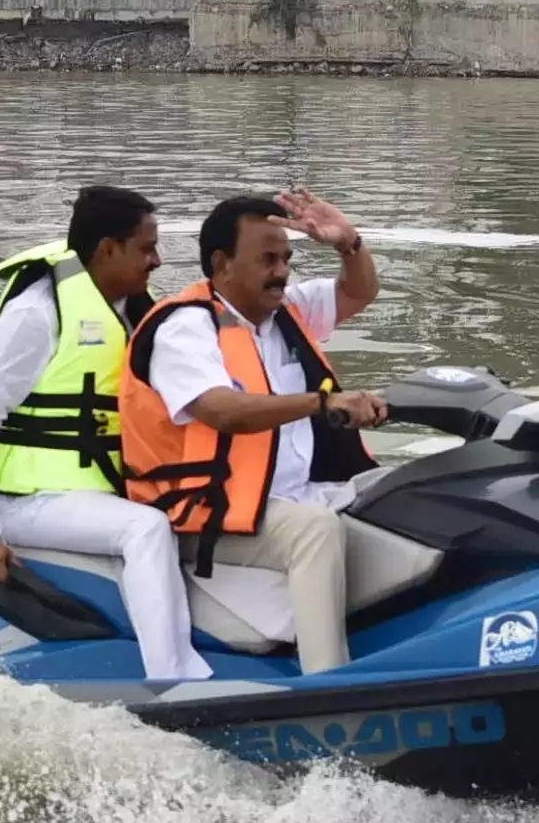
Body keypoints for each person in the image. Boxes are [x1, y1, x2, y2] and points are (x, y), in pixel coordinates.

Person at [0, 184, 211, 682]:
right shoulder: (39, 313)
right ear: (107, 249)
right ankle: (173, 680)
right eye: (147, 248)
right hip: (27, 501)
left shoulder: (128, 308)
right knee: (145, 529)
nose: (157, 260)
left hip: (93, 491)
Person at [121, 190, 388, 676]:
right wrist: (324, 404)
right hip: (207, 513)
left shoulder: (286, 311)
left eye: (286, 258)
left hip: (297, 493)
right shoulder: (186, 329)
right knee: (313, 531)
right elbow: (222, 411)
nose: (282, 271)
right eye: (267, 259)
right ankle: (330, 685)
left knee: (401, 493)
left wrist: (349, 244)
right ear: (222, 265)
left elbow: (359, 292)